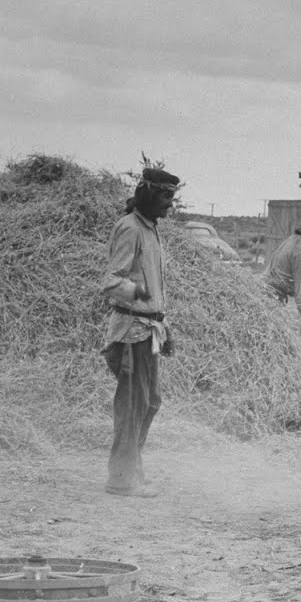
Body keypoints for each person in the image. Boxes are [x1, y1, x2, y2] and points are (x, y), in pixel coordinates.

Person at [99, 167, 181, 497]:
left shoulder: (151, 230)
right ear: (148, 195)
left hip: (149, 330)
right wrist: (137, 293)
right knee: (133, 404)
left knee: (150, 402)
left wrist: (165, 325)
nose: (170, 205)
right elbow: (111, 282)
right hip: (131, 330)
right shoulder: (130, 229)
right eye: (165, 197)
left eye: (172, 198)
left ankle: (131, 470)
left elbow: (156, 288)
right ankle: (121, 479)